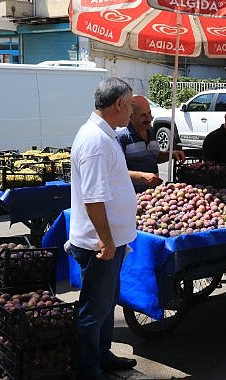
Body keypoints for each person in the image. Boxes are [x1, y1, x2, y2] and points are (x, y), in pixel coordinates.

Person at [68, 77, 138, 379]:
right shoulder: (95, 141)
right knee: (93, 310)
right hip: (99, 245)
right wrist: (107, 241)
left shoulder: (106, 135)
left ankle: (102, 354)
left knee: (107, 304)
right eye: (131, 105)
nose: (133, 112)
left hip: (110, 242)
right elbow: (94, 199)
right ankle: (87, 369)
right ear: (119, 104)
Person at [117, 95, 185, 192]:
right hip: (131, 195)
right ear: (130, 116)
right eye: (143, 115)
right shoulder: (122, 137)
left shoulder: (151, 131)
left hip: (152, 194)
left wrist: (171, 154)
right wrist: (142, 177)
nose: (150, 118)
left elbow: (154, 157)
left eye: (149, 113)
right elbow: (116, 171)